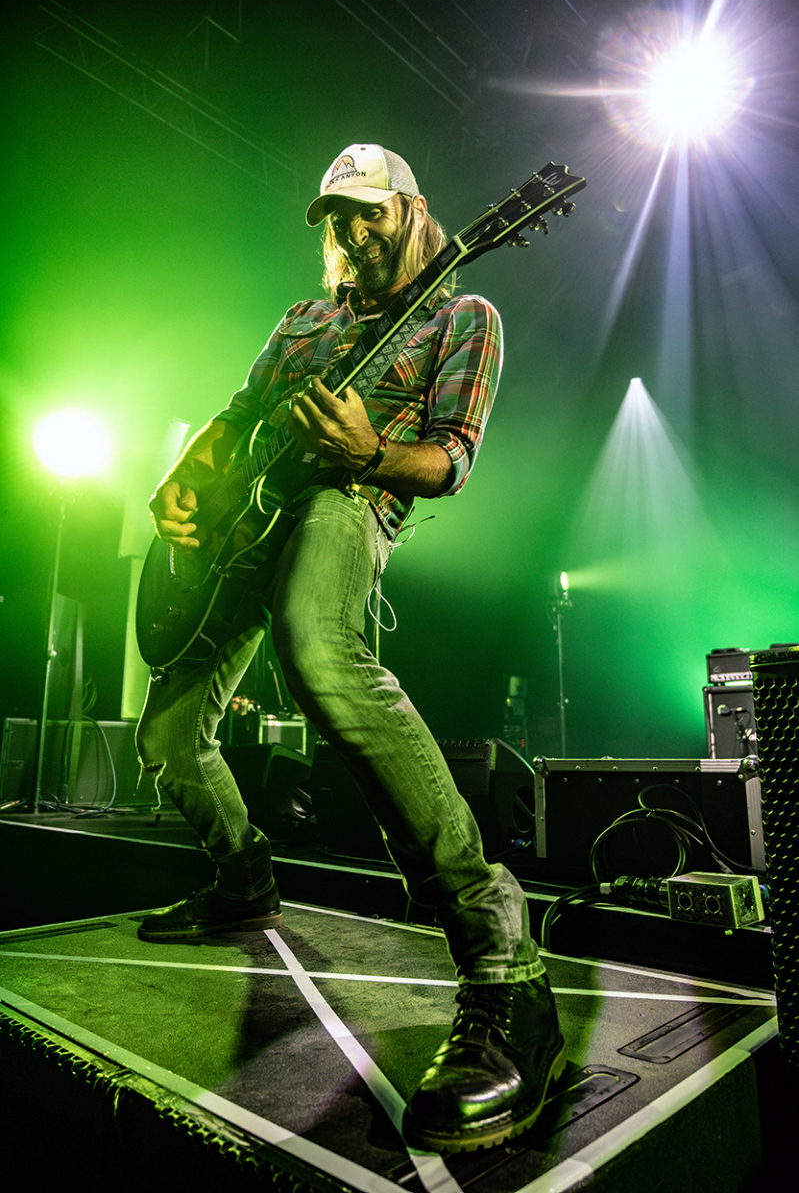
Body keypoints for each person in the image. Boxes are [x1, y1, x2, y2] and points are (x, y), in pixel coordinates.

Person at [135, 143, 565, 1153]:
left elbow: (449, 460)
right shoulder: (304, 320)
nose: (353, 232)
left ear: (412, 210)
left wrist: (369, 452)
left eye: (370, 212)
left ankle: (504, 969)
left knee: (317, 651)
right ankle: (242, 879)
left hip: (349, 495)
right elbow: (238, 415)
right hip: (244, 525)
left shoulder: (462, 314)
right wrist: (182, 482)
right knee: (167, 733)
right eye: (338, 217)